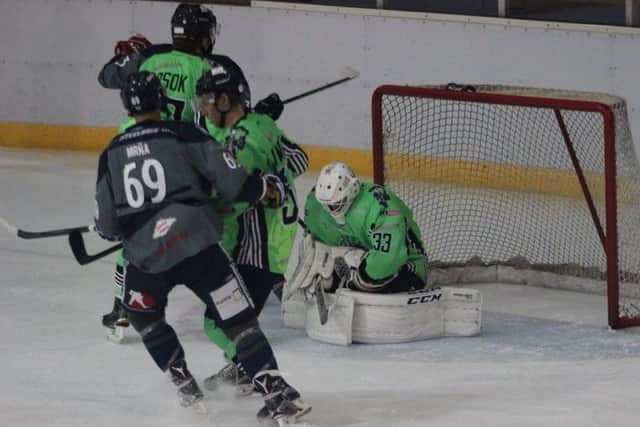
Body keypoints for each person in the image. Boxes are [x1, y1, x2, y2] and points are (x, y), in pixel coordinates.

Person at [94, 71, 311, 422]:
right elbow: (234, 183)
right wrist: (265, 189)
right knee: (239, 322)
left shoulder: (111, 153)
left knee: (142, 316)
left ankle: (183, 382)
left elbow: (107, 227)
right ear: (161, 101)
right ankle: (278, 392)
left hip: (148, 258)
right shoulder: (186, 133)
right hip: (199, 245)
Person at [98, 3, 283, 334]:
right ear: (206, 35)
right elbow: (237, 110)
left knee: (135, 226)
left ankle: (123, 303)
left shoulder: (150, 57)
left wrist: (132, 55)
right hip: (179, 158)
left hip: (131, 153)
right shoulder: (213, 66)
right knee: (222, 215)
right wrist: (265, 112)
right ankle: (241, 285)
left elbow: (106, 76)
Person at [193, 64, 308, 392]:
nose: (204, 107)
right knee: (234, 318)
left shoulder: (238, 145)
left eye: (209, 100)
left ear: (227, 101)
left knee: (217, 322)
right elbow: (300, 160)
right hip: (277, 242)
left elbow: (232, 202)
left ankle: (251, 370)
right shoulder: (263, 125)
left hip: (252, 248)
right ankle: (245, 365)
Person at [303, 161, 428, 293]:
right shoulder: (315, 206)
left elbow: (387, 258)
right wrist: (316, 265)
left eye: (337, 203)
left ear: (353, 189)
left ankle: (346, 281)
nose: (330, 209)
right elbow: (314, 244)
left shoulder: (380, 206)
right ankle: (339, 280)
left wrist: (356, 280)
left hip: (406, 268)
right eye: (326, 205)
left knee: (375, 277)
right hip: (358, 263)